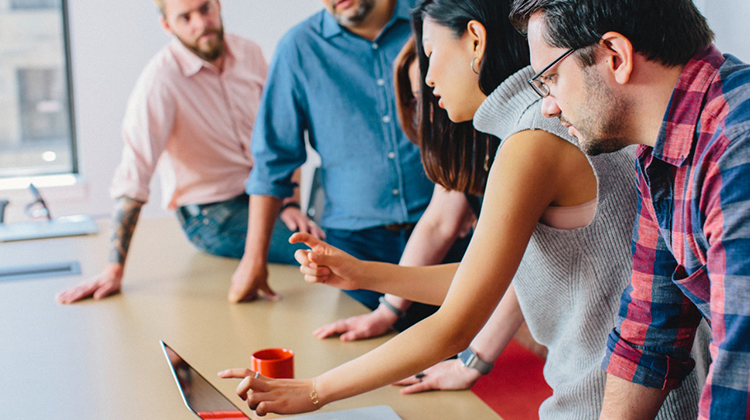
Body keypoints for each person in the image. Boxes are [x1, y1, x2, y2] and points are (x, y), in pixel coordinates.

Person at [217, 0, 708, 417]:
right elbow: (492, 278)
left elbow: (454, 324)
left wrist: (314, 390)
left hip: (612, 402)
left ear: (475, 40)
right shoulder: (541, 125)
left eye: (432, 54)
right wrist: (364, 273)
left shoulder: (533, 139)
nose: (427, 77)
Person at [508, 1, 750, 419]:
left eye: (551, 79)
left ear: (615, 56)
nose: (548, 106)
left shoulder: (737, 144)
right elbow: (649, 332)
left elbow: (741, 378)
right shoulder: (660, 152)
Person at [55, 0, 319, 304]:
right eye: (185, 17)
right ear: (167, 26)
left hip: (266, 197)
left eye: (205, 9)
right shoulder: (160, 81)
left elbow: (280, 137)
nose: (200, 22)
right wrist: (113, 269)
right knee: (318, 250)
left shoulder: (250, 53)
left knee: (340, 236)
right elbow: (134, 176)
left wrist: (289, 203)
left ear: (218, 6)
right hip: (212, 214)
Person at [228, 0, 440, 328]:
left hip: (447, 231)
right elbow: (273, 161)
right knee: (365, 362)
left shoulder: (434, 18)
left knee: (449, 363)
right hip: (354, 245)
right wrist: (254, 260)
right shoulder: (298, 49)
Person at [312, 37, 480, 341]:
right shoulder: (465, 147)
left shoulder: (515, 141)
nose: (430, 110)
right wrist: (386, 311)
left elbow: (505, 280)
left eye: (432, 92)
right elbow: (440, 223)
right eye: (417, 99)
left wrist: (472, 362)